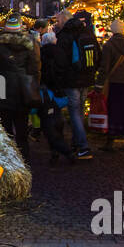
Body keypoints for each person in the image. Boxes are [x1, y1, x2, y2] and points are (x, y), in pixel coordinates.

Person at [0, 16, 39, 161]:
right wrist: (34, 86)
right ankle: (24, 157)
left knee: (4, 125)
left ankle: (8, 158)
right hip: (23, 87)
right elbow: (34, 69)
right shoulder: (28, 43)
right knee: (22, 125)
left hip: (1, 86)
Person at [54, 10, 98, 161]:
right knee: (79, 110)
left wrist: (59, 80)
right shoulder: (87, 32)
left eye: (58, 21)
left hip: (71, 79)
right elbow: (98, 54)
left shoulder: (64, 35)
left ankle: (84, 146)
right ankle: (76, 143)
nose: (57, 24)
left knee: (75, 112)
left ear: (64, 21)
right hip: (86, 78)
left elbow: (60, 61)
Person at [35, 29, 77, 165]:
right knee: (57, 121)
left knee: (48, 124)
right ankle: (60, 149)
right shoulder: (61, 53)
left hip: (46, 93)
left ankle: (60, 151)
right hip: (58, 91)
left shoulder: (42, 54)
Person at [99, 18, 124, 149]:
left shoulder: (108, 45)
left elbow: (104, 67)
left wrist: (99, 84)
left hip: (114, 82)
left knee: (113, 111)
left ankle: (110, 141)